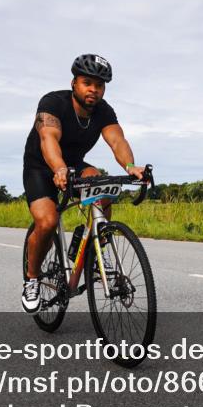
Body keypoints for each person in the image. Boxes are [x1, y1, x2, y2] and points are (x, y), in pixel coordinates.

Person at [20, 54, 144, 313]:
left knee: (103, 187)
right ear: (74, 83)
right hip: (41, 166)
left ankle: (95, 247)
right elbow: (48, 139)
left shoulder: (104, 111)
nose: (93, 89)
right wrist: (59, 168)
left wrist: (130, 167)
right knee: (48, 221)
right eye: (87, 82)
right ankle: (32, 280)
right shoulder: (53, 102)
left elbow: (117, 141)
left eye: (99, 85)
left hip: (75, 163)